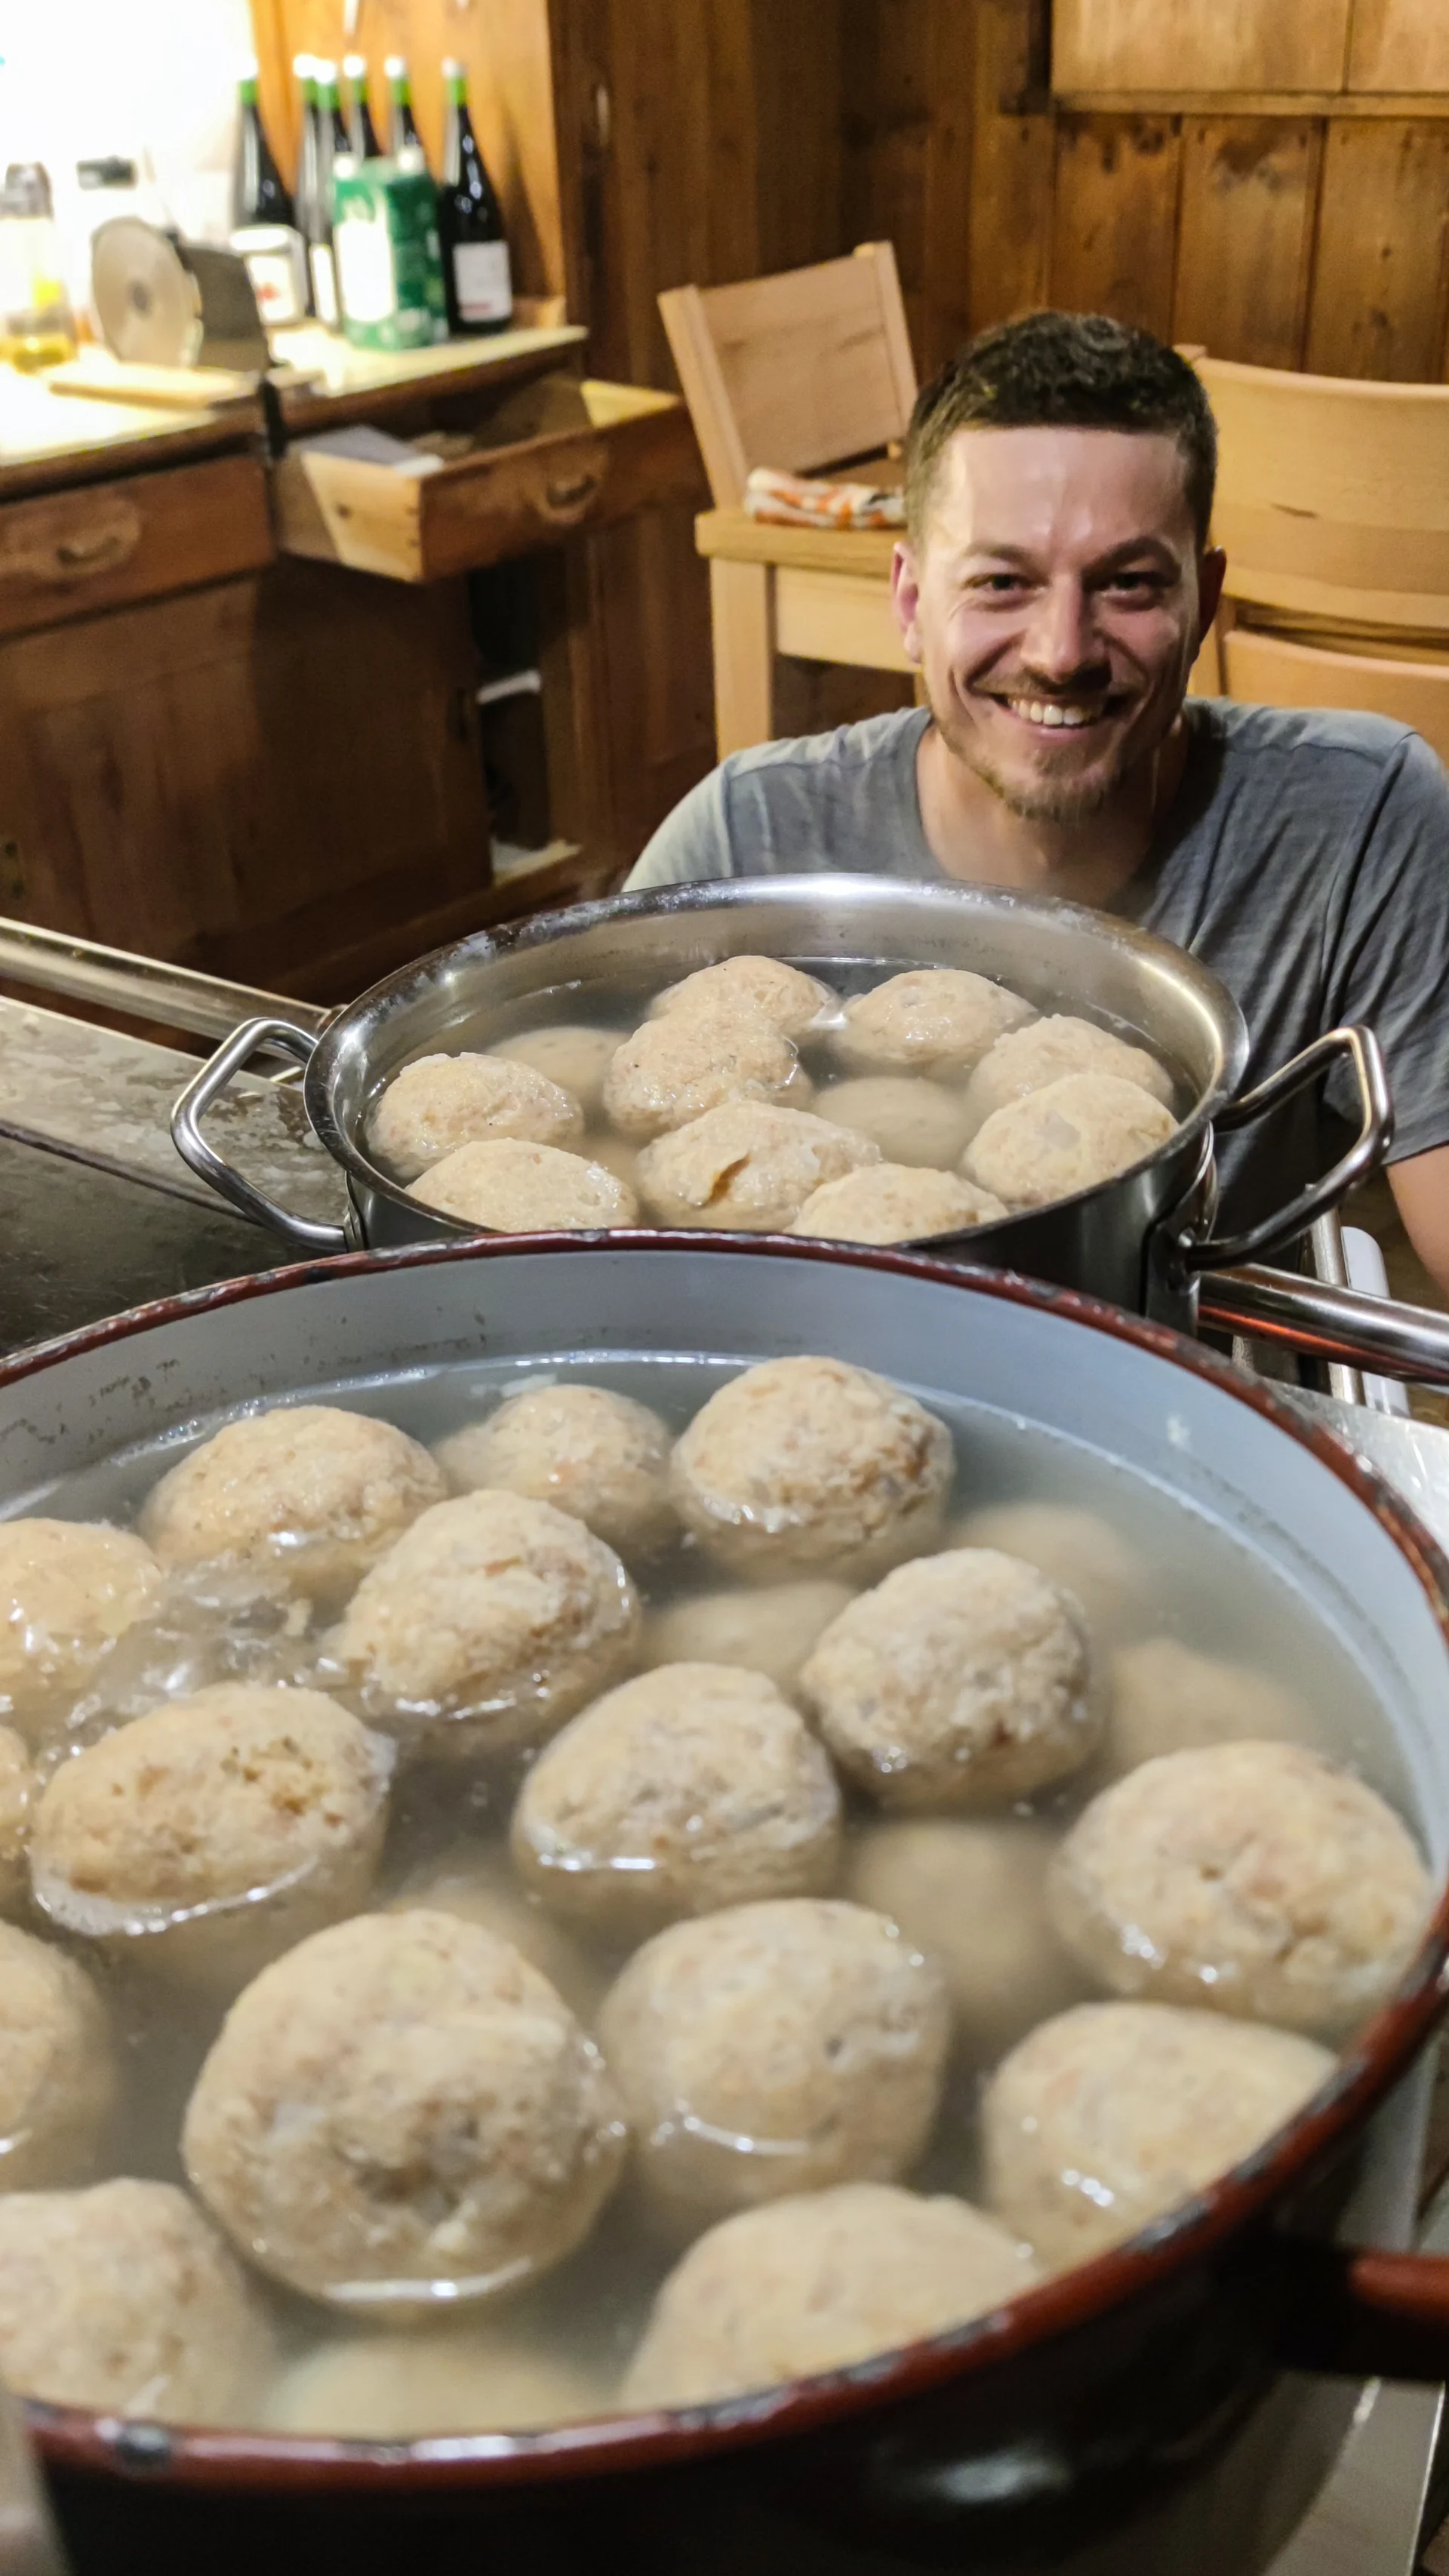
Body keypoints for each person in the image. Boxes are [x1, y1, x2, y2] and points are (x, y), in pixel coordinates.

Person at [627, 311, 1449, 1293]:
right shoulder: (748, 837)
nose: (1062, 651)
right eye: (1002, 581)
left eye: (1131, 583)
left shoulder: (1356, 819)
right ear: (909, 603)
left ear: (1206, 601)